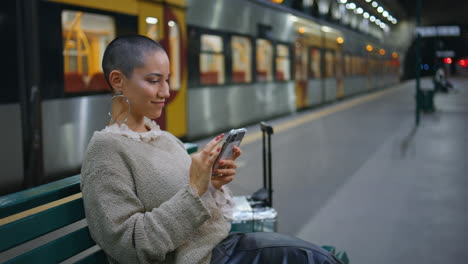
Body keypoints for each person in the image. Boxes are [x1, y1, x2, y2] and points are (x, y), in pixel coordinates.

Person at [81, 34, 342, 264]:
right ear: (118, 80)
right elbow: (130, 245)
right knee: (315, 259)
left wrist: (213, 183)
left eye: (167, 80)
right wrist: (195, 189)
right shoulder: (106, 151)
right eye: (153, 80)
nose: (165, 91)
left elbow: (196, 204)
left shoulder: (165, 139)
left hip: (221, 247)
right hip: (206, 258)